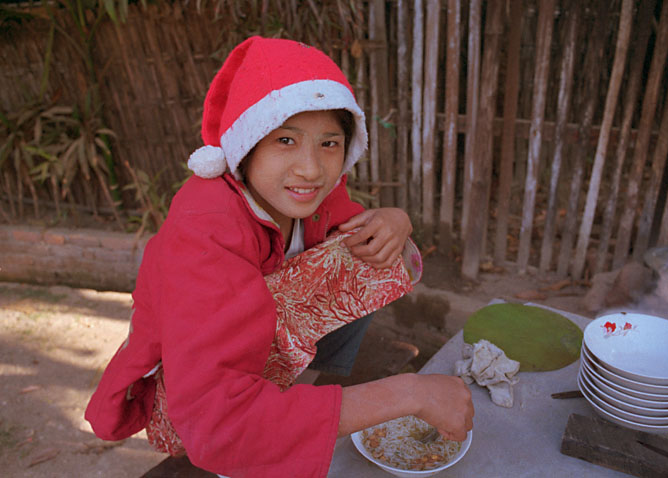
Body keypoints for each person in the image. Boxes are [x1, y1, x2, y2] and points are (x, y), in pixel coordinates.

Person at [85, 36, 473, 477]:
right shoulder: (204, 230)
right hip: (191, 393)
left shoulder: (306, 193)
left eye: (329, 143)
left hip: (253, 344)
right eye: (285, 140)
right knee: (221, 439)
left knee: (371, 253)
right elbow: (216, 423)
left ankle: (303, 388)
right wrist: (408, 394)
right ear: (245, 148)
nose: (310, 168)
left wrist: (396, 219)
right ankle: (271, 424)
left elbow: (351, 224)